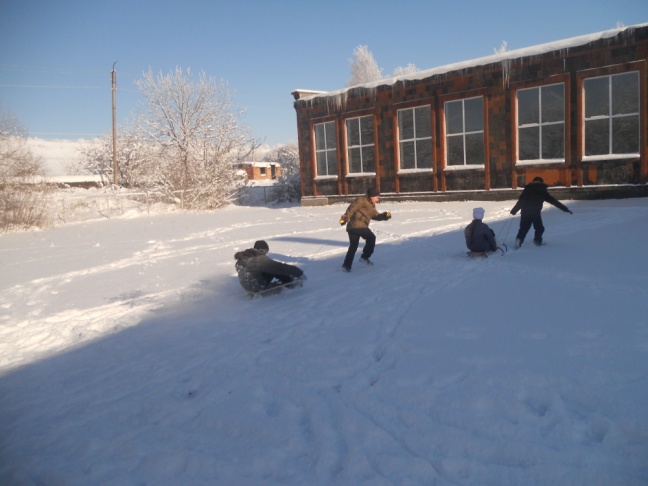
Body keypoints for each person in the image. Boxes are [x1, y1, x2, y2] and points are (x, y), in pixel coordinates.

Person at [339, 187, 391, 272]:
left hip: (352, 227)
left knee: (353, 246)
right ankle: (364, 257)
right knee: (371, 238)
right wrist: (345, 217)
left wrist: (385, 216)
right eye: (377, 197)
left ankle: (346, 266)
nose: (378, 199)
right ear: (371, 196)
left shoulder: (371, 206)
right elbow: (352, 208)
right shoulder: (361, 200)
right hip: (358, 225)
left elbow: (376, 216)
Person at [510, 177, 572, 248]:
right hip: (535, 213)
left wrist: (514, 210)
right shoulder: (542, 190)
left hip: (525, 212)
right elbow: (553, 201)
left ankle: (519, 240)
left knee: (524, 228)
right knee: (539, 228)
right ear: (541, 182)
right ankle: (537, 241)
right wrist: (564, 208)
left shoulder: (527, 189)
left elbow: (521, 201)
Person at [234, 240, 304, 293]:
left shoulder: (243, 257)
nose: (265, 254)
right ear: (262, 250)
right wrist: (297, 271)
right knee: (274, 269)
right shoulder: (259, 259)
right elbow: (278, 267)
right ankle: (289, 283)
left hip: (246, 286)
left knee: (268, 269)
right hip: (256, 286)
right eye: (266, 251)